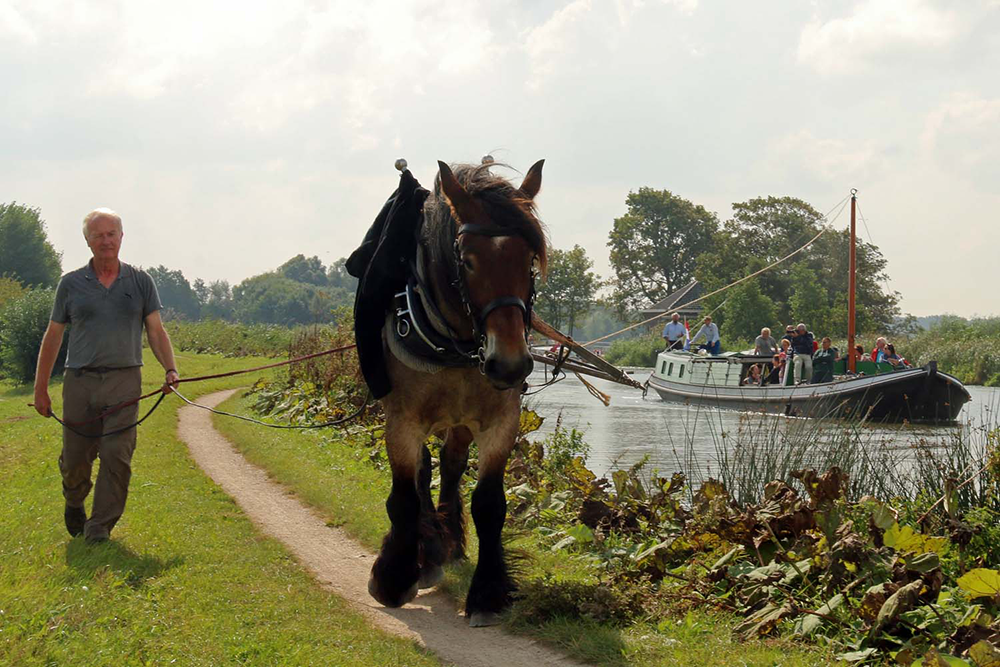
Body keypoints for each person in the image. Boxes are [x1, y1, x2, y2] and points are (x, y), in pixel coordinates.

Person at [33, 208, 180, 544]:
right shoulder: (70, 284)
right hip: (79, 381)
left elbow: (156, 330)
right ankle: (74, 500)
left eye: (111, 233)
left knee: (117, 454)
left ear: (121, 237)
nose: (105, 241)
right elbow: (53, 336)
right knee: (75, 458)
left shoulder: (141, 281)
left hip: (124, 380)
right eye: (98, 235)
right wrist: (41, 389)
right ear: (87, 241)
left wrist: (171, 369)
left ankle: (99, 527)